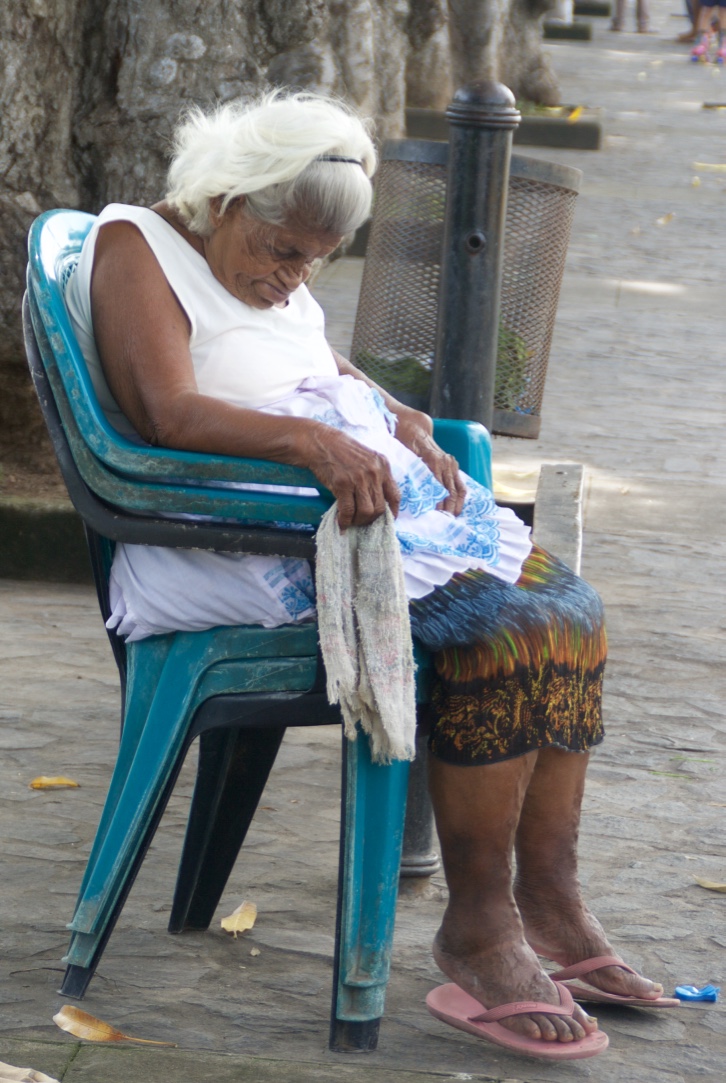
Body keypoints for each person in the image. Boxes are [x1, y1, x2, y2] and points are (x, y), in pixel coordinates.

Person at [65, 90, 672, 1059]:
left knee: (568, 610)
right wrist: (314, 444)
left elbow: (306, 355)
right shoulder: (136, 247)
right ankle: (478, 928)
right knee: (494, 628)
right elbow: (167, 414)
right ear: (229, 202)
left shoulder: (264, 254)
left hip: (332, 516)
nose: (295, 275)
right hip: (234, 540)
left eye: (315, 260)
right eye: (282, 253)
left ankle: (550, 903)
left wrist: (392, 414)